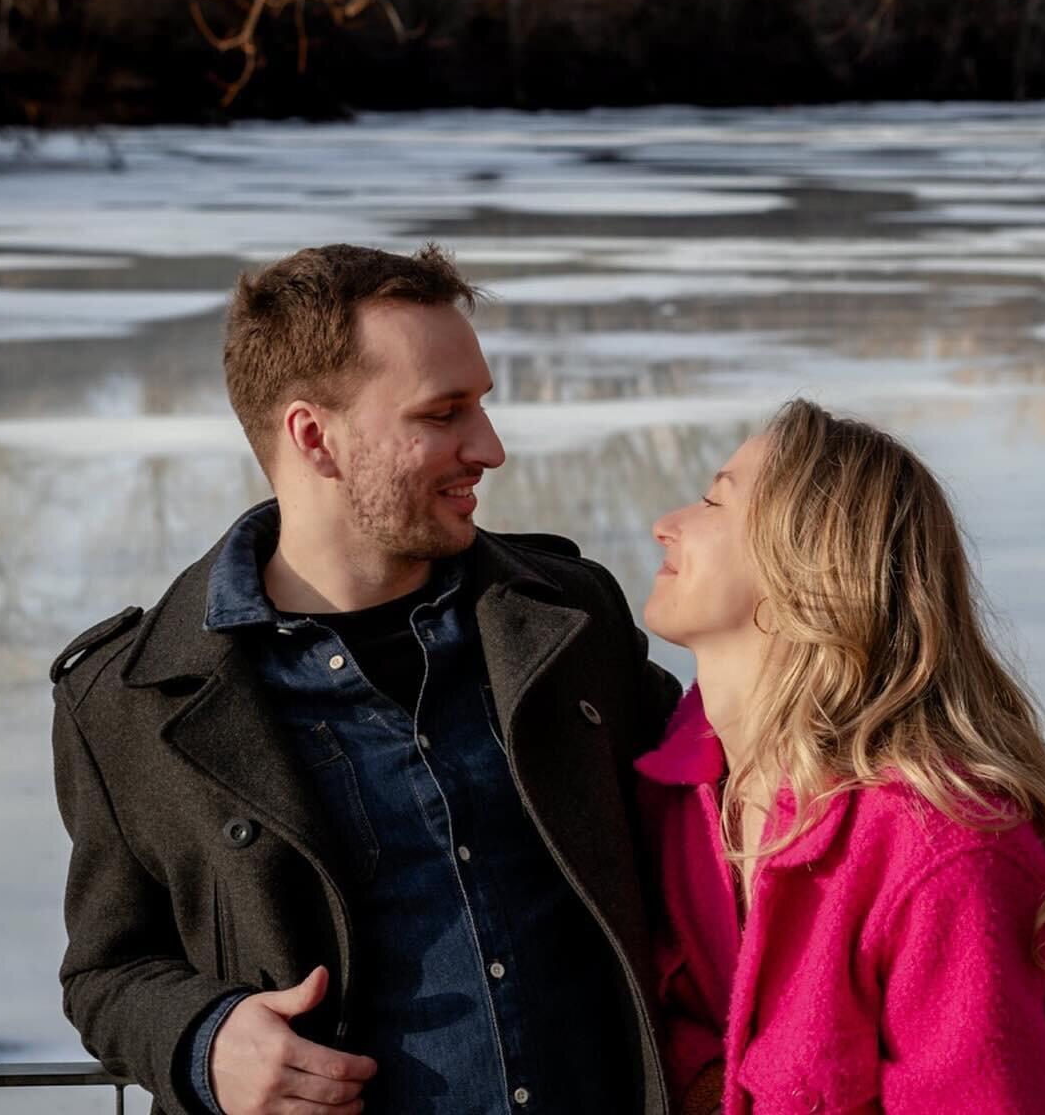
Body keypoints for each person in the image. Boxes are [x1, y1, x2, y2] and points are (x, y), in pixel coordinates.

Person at [51, 242, 681, 1115]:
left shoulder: (571, 620)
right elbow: (107, 972)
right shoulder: (128, 700)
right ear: (315, 437)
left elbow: (713, 821)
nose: (488, 448)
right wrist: (205, 1042)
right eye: (443, 413)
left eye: (481, 406)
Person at [636, 397, 1045, 1115]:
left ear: (804, 572)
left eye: (715, 502)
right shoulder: (681, 784)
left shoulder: (943, 846)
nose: (666, 526)